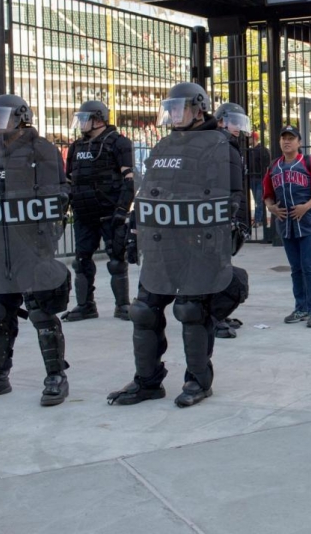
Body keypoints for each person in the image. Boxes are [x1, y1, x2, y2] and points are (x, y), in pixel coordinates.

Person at [107, 83, 248, 408]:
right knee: (143, 311)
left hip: (198, 243)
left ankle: (198, 382)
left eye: (177, 108)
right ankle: (147, 382)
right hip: (161, 243)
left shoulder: (221, 145)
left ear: (198, 109)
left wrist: (225, 236)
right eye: (169, 108)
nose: (171, 114)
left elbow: (233, 199)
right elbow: (148, 191)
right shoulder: (164, 145)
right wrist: (133, 230)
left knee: (191, 310)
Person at [0, 95, 73, 406]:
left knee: (40, 310)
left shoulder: (42, 150)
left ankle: (55, 376)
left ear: (21, 118)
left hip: (31, 245)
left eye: (2, 118)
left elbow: (59, 194)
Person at [62, 100, 135, 322]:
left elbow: (129, 180)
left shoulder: (118, 143)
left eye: (85, 119)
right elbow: (68, 181)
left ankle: (122, 306)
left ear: (99, 119)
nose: (81, 124)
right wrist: (64, 209)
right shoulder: (76, 147)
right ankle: (85, 306)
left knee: (116, 260)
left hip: (109, 213)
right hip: (84, 214)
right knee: (81, 260)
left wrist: (122, 209)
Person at [264, 125, 311, 328]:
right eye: (283, 138)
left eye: (291, 138)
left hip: (308, 222)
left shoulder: (309, 163)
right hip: (285, 224)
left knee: (309, 267)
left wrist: (306, 206)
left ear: (299, 142)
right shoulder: (274, 166)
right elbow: (267, 195)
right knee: (295, 269)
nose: (286, 141)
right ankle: (301, 307)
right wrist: (272, 209)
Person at [214, 102, 252, 339]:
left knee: (222, 265)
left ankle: (219, 313)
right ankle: (213, 316)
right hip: (217, 217)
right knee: (217, 268)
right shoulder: (219, 144)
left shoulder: (230, 145)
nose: (237, 128)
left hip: (226, 215)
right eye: (233, 122)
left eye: (240, 123)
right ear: (221, 121)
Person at [247, 131, 271, 228]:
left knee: (259, 200)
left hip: (260, 178)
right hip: (252, 178)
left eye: (249, 138)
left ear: (254, 138)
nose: (248, 140)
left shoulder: (262, 150)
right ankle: (260, 219)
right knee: (258, 201)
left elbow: (267, 162)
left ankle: (258, 220)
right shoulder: (248, 150)